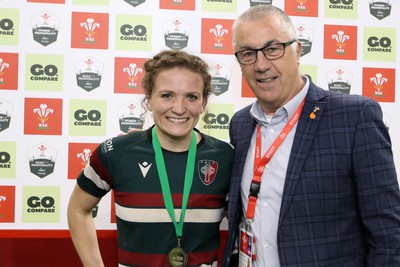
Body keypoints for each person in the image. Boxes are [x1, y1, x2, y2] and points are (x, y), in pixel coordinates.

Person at [223, 5, 400, 267]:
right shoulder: (241, 124)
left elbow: (389, 236)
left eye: (273, 49)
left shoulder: (354, 116)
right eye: (248, 54)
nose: (261, 65)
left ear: (297, 50)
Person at [67, 50, 234, 267]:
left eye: (191, 97)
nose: (179, 108)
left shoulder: (226, 158)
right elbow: (78, 209)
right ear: (149, 100)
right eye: (167, 95)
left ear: (203, 103)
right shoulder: (116, 153)